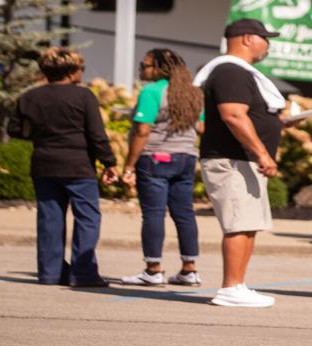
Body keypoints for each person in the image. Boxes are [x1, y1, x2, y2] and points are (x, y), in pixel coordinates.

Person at [193, 18, 286, 307]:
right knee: (238, 224)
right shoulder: (230, 70)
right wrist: (262, 153)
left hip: (242, 160)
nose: (267, 44)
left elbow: (246, 114)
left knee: (247, 224)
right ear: (247, 38)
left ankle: (239, 284)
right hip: (232, 160)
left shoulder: (237, 71)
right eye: (265, 38)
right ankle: (230, 288)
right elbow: (233, 114)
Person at [10, 46, 115, 287]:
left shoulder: (29, 97)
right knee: (87, 218)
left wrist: (39, 135)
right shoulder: (84, 96)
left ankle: (50, 273)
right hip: (78, 166)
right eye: (81, 68)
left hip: (44, 164)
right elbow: (96, 134)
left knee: (50, 219)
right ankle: (83, 273)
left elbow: (14, 129)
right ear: (71, 71)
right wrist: (109, 162)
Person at [114, 48, 203, 286]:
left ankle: (153, 270)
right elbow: (202, 128)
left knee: (153, 214)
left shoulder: (151, 91)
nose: (141, 69)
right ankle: (189, 269)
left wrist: (129, 166)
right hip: (186, 158)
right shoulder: (192, 93)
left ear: (159, 68)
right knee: (184, 214)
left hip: (155, 158)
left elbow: (143, 130)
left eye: (145, 65)